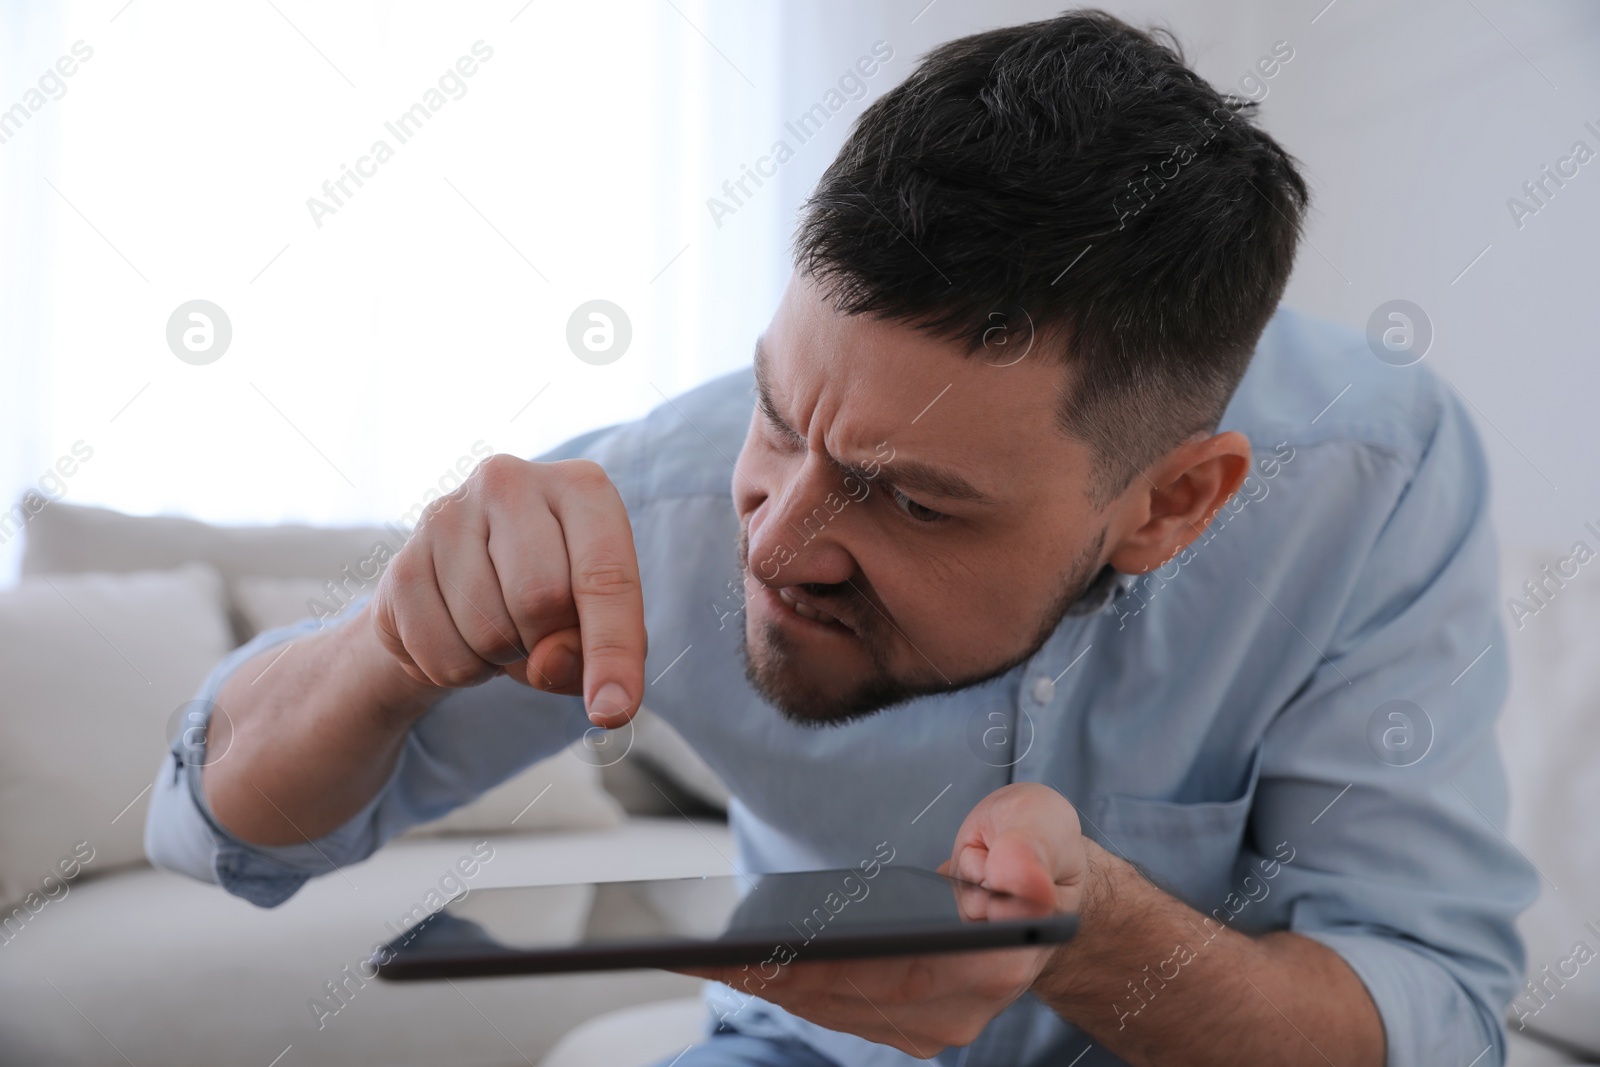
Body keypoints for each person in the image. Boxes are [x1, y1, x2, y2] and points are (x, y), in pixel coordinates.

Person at [147, 10, 1535, 1066]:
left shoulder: (1376, 481)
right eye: (776, 412)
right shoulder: (672, 501)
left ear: (1174, 503)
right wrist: (383, 655)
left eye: (914, 499)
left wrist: (1097, 939)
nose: (774, 541)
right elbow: (222, 839)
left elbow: (1431, 1013)